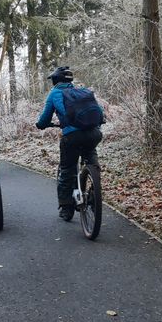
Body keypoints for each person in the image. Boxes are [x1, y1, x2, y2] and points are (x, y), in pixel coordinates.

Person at [34, 66, 104, 221]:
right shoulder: (83, 92)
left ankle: (66, 209)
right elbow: (100, 112)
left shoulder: (55, 94)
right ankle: (94, 183)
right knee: (90, 153)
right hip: (94, 133)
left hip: (72, 136)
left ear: (55, 81)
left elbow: (45, 118)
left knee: (67, 170)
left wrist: (41, 124)